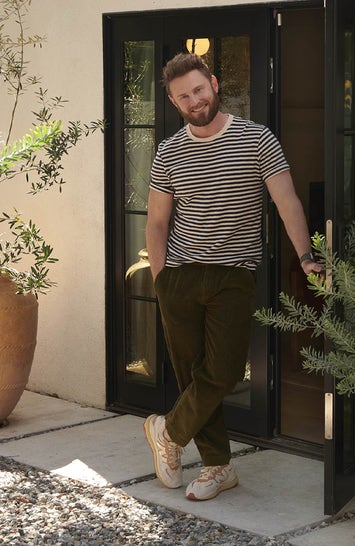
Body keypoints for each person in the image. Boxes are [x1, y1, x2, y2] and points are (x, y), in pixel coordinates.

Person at [144, 53, 322, 501]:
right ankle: (217, 467)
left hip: (233, 275)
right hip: (179, 276)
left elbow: (287, 202)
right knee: (192, 377)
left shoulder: (257, 139)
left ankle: (168, 431)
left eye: (199, 89)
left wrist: (306, 256)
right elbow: (157, 222)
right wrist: (161, 278)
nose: (194, 100)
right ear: (172, 100)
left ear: (214, 84)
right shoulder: (168, 150)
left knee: (221, 373)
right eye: (183, 95)